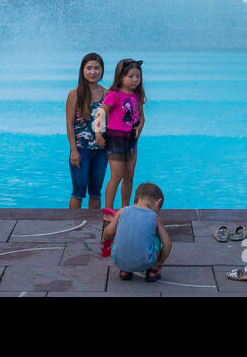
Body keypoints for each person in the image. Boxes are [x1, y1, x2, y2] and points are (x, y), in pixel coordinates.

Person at [99, 59, 145, 210]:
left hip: (131, 140)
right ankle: (109, 210)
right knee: (116, 176)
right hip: (115, 139)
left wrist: (139, 128)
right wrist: (99, 134)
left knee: (129, 176)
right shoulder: (114, 95)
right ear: (120, 77)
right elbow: (101, 113)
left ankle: (125, 208)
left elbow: (142, 116)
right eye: (130, 76)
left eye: (137, 76)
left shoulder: (137, 95)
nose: (134, 80)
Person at [102, 182, 172, 282]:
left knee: (121, 234)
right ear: (158, 202)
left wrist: (105, 240)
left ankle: (125, 271)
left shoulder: (122, 211)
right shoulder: (154, 217)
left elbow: (108, 233)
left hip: (119, 261)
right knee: (157, 238)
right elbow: (168, 244)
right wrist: (160, 262)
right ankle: (154, 270)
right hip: (146, 262)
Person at [65, 52, 107, 210]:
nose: (93, 72)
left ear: (102, 70)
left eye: (97, 68)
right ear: (82, 70)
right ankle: (73, 226)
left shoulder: (107, 94)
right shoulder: (75, 94)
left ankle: (94, 229)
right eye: (89, 68)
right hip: (81, 150)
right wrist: (73, 150)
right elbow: (69, 123)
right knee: (78, 192)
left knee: (96, 192)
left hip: (101, 151)